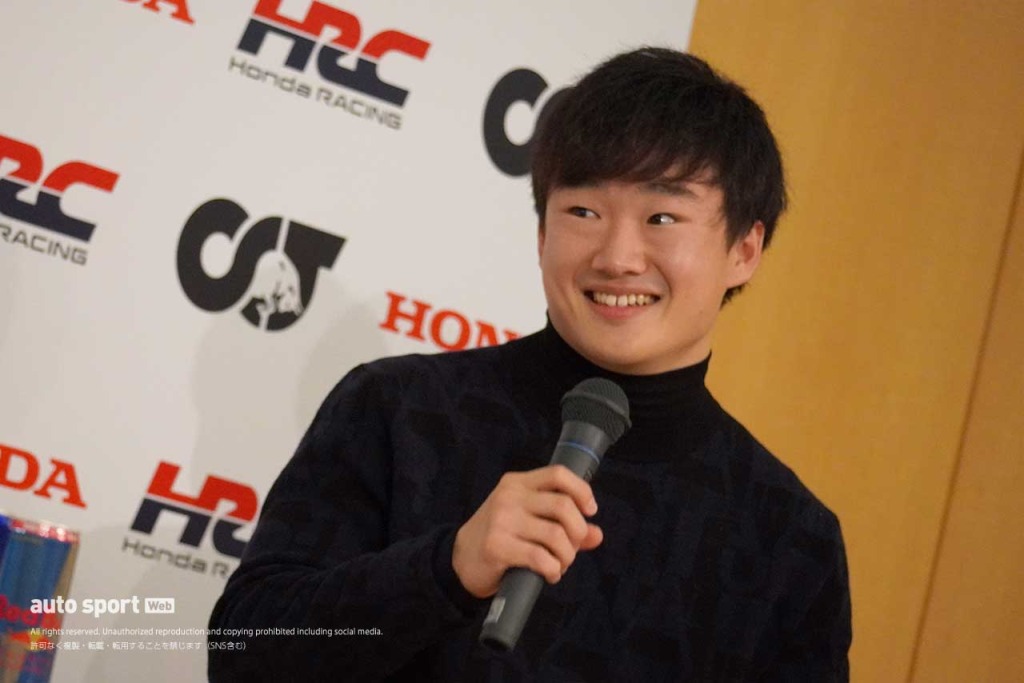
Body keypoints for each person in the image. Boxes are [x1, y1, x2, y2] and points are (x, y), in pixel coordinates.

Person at [209, 46, 852, 681]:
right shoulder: (397, 409)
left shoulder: (789, 538)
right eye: (584, 212)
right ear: (542, 232)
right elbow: (243, 653)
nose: (618, 257)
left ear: (744, 250)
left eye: (662, 217)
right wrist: (446, 568)